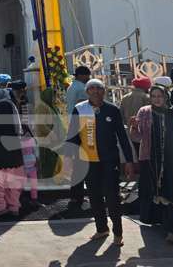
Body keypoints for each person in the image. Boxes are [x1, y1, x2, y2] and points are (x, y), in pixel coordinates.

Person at [66, 79, 134, 246]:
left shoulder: (112, 109)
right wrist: (68, 159)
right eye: (92, 88)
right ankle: (102, 228)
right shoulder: (79, 109)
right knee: (94, 196)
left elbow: (122, 136)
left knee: (112, 197)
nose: (95, 91)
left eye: (99, 88)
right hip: (88, 161)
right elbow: (72, 136)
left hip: (109, 161)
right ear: (87, 92)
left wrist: (129, 161)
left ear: (104, 91)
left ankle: (118, 232)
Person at [129, 85, 173, 243]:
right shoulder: (144, 112)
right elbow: (137, 138)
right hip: (151, 161)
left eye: (160, 96)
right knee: (158, 193)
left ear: (166, 96)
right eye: (153, 96)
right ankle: (166, 224)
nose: (157, 99)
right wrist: (133, 126)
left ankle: (172, 230)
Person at [0, 92, 25, 217]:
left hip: (0, 153)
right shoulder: (10, 105)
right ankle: (14, 207)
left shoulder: (2, 105)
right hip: (15, 153)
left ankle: (1, 207)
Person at [66, 66, 91, 208]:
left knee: (77, 165)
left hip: (73, 127)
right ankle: (81, 196)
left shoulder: (72, 86)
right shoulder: (82, 88)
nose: (89, 78)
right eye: (87, 75)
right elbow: (83, 107)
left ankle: (76, 196)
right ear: (81, 75)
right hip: (82, 128)